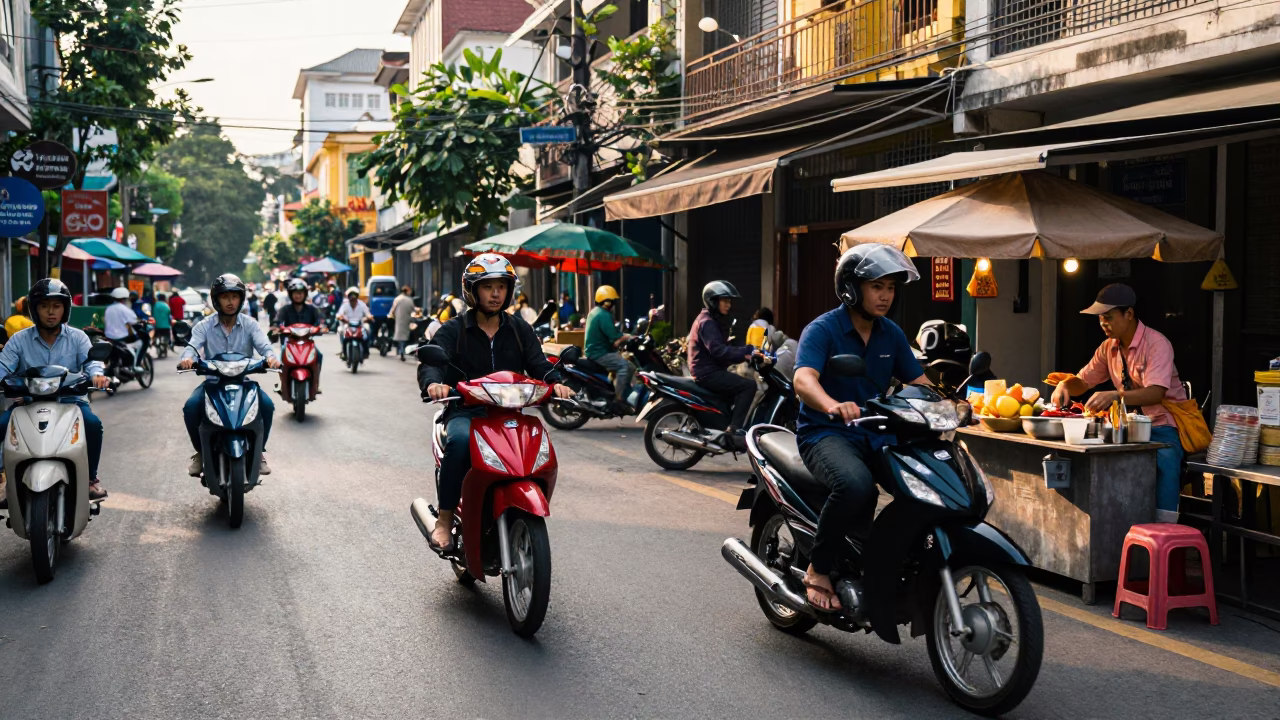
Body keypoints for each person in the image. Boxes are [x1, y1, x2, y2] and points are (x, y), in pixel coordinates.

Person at [792, 245, 930, 611]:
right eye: (876, 287)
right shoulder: (823, 330)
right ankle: (818, 569)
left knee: (923, 485)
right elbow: (804, 380)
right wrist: (831, 404)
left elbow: (919, 382)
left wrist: (956, 403)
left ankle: (880, 557)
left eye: (890, 288)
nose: (885, 296)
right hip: (825, 433)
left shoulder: (891, 334)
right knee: (856, 485)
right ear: (852, 288)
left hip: (877, 432)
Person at [419, 253, 573, 552]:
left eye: (502, 286)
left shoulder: (519, 329)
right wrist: (434, 383)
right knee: (460, 441)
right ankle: (445, 519)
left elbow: (538, 363)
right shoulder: (454, 330)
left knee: (537, 441)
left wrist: (557, 383)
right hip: (467, 411)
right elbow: (432, 362)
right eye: (488, 286)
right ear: (472, 290)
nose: (496, 293)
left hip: (510, 412)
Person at [1051, 283, 1187, 523]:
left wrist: (1116, 395)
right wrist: (1064, 385)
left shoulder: (1157, 344)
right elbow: (1082, 382)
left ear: (1129, 314)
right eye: (1101, 319)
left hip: (1163, 426)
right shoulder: (1108, 347)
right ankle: (1118, 524)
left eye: (1108, 318)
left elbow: (1156, 393)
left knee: (1165, 464)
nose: (1103, 324)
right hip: (1126, 428)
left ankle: (1166, 527)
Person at [0, 279, 112, 507]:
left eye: (57, 306)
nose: (51, 312)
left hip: (70, 402)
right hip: (28, 402)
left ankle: (90, 479)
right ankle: (2, 479)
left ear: (65, 309)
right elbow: (3, 366)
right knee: (1, 424)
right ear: (34, 309)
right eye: (44, 306)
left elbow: (91, 363)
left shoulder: (78, 337)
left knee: (92, 423)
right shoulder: (19, 341)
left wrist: (97, 375)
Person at [179, 274, 280, 476]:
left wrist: (271, 358)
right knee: (190, 407)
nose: (230, 302)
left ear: (241, 299)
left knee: (267, 406)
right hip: (213, 384)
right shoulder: (204, 325)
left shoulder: (250, 324)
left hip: (244, 383)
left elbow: (265, 346)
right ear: (216, 299)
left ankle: (259, 452)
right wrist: (188, 359)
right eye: (225, 297)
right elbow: (191, 348)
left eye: (234, 297)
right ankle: (200, 452)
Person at [689, 281, 759, 451]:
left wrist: (742, 352)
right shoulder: (708, 323)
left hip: (710, 369)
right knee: (748, 386)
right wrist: (745, 352)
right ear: (713, 301)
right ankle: (734, 431)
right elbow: (718, 351)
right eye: (725, 301)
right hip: (707, 372)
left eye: (729, 301)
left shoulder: (713, 320)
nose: (729, 305)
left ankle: (722, 426)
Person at [584, 285, 636, 415]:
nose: (613, 304)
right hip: (599, 353)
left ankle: (619, 390)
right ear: (607, 301)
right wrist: (628, 336)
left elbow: (612, 336)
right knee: (624, 366)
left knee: (630, 366)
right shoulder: (603, 315)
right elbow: (614, 337)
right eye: (612, 301)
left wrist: (620, 338)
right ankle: (618, 399)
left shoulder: (595, 311)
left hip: (597, 351)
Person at [104, 287, 143, 375]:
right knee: (139, 343)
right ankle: (134, 366)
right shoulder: (124, 309)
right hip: (121, 337)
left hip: (109, 336)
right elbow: (134, 320)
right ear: (124, 298)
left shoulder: (108, 309)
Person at [336, 286, 373, 358]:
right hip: (347, 324)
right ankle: (343, 350)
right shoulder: (345, 305)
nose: (352, 298)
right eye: (351, 295)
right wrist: (340, 317)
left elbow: (368, 313)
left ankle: (366, 351)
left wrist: (369, 317)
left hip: (360, 324)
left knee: (368, 329)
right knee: (340, 330)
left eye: (354, 295)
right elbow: (339, 314)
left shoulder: (362, 304)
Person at [391, 285, 415, 361]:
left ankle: (400, 351)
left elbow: (393, 310)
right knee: (404, 337)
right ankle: (402, 351)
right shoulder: (409, 300)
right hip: (406, 320)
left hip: (398, 320)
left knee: (399, 336)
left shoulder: (397, 299)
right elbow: (413, 309)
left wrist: (394, 316)